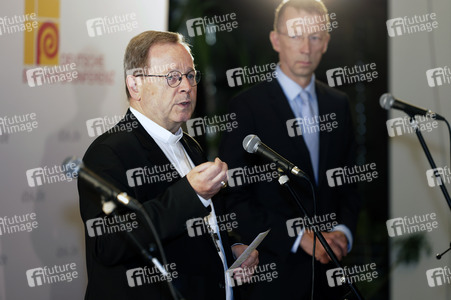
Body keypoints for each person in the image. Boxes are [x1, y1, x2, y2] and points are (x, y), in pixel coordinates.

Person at [78, 30, 258, 300]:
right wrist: (190, 193)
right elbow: (109, 243)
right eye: (172, 77)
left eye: (190, 75)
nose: (186, 86)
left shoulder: (191, 146)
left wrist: (231, 245)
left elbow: (204, 225)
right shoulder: (109, 152)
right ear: (135, 85)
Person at [219, 0, 360, 299]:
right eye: (296, 35)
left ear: (326, 42)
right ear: (275, 40)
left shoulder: (338, 104)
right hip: (274, 275)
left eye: (315, 37)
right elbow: (234, 197)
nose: (306, 48)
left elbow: (350, 179)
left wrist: (343, 232)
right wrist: (298, 237)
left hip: (331, 271)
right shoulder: (247, 107)